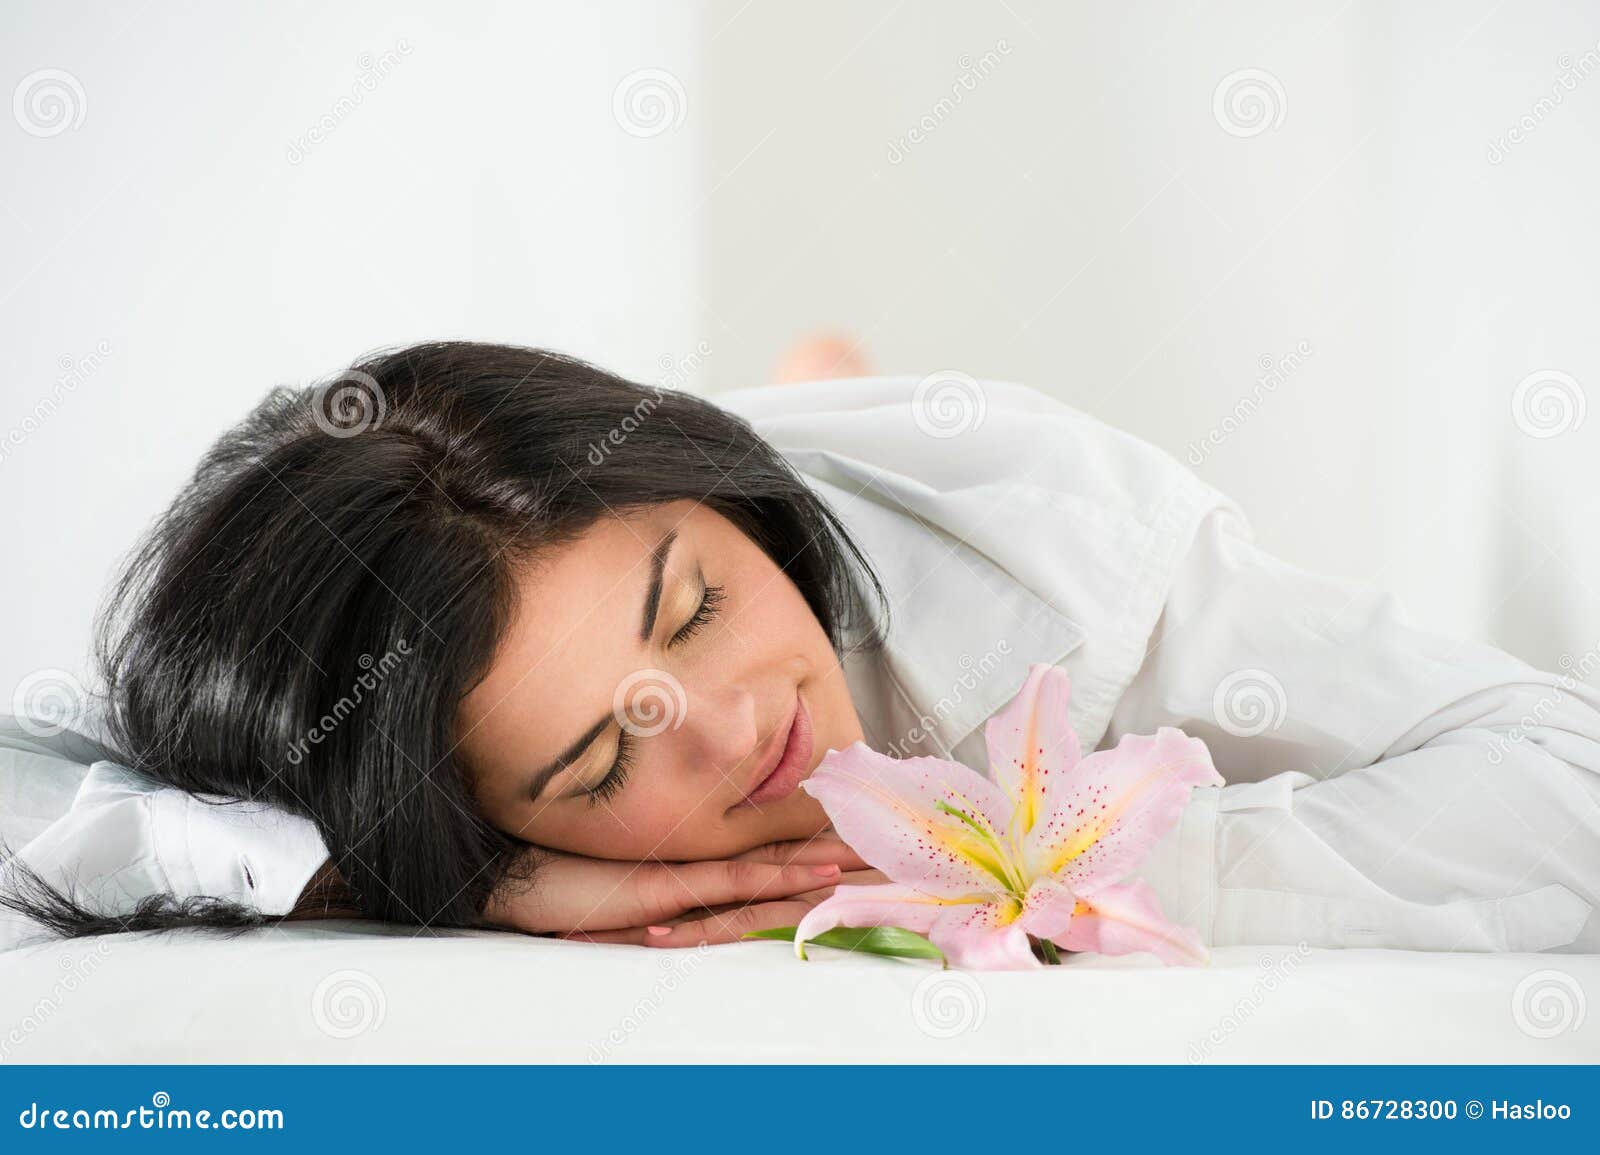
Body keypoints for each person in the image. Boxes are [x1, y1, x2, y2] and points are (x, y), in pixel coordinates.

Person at [3, 340, 1598, 956]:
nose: (737, 727)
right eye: (597, 757)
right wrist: (446, 882)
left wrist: (1037, 863)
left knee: (823, 376)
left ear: (724, 506)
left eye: (692, 605)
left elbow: (1565, 773)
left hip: (856, 453)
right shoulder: (395, 755)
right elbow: (36, 794)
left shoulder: (1056, 541)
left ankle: (808, 371)